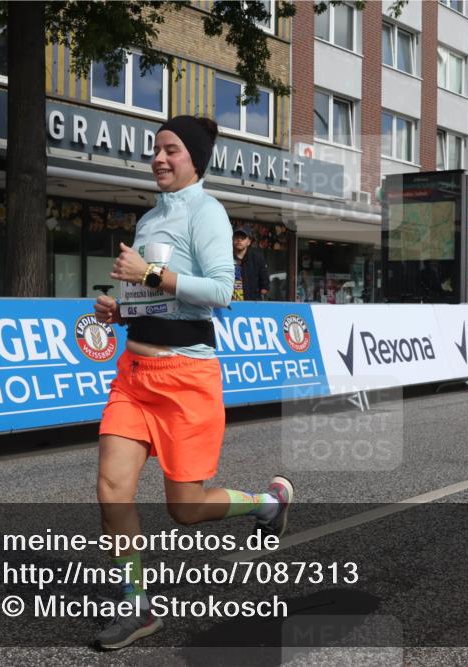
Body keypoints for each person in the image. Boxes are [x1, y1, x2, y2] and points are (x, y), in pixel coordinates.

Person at [92, 115, 292, 650]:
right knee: (112, 487)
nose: (159, 158)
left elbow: (221, 292)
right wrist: (122, 310)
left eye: (171, 150)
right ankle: (136, 606)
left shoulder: (207, 212)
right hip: (134, 374)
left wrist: (147, 274)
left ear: (195, 160)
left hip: (185, 376)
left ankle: (268, 503)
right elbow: (153, 296)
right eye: (156, 149)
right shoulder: (148, 219)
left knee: (185, 509)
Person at [232, 225, 269, 301]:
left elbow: (265, 285)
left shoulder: (257, 258)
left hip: (251, 303)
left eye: (243, 238)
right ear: (232, 239)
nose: (239, 240)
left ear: (249, 242)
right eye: (237, 237)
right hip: (228, 303)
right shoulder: (225, 257)